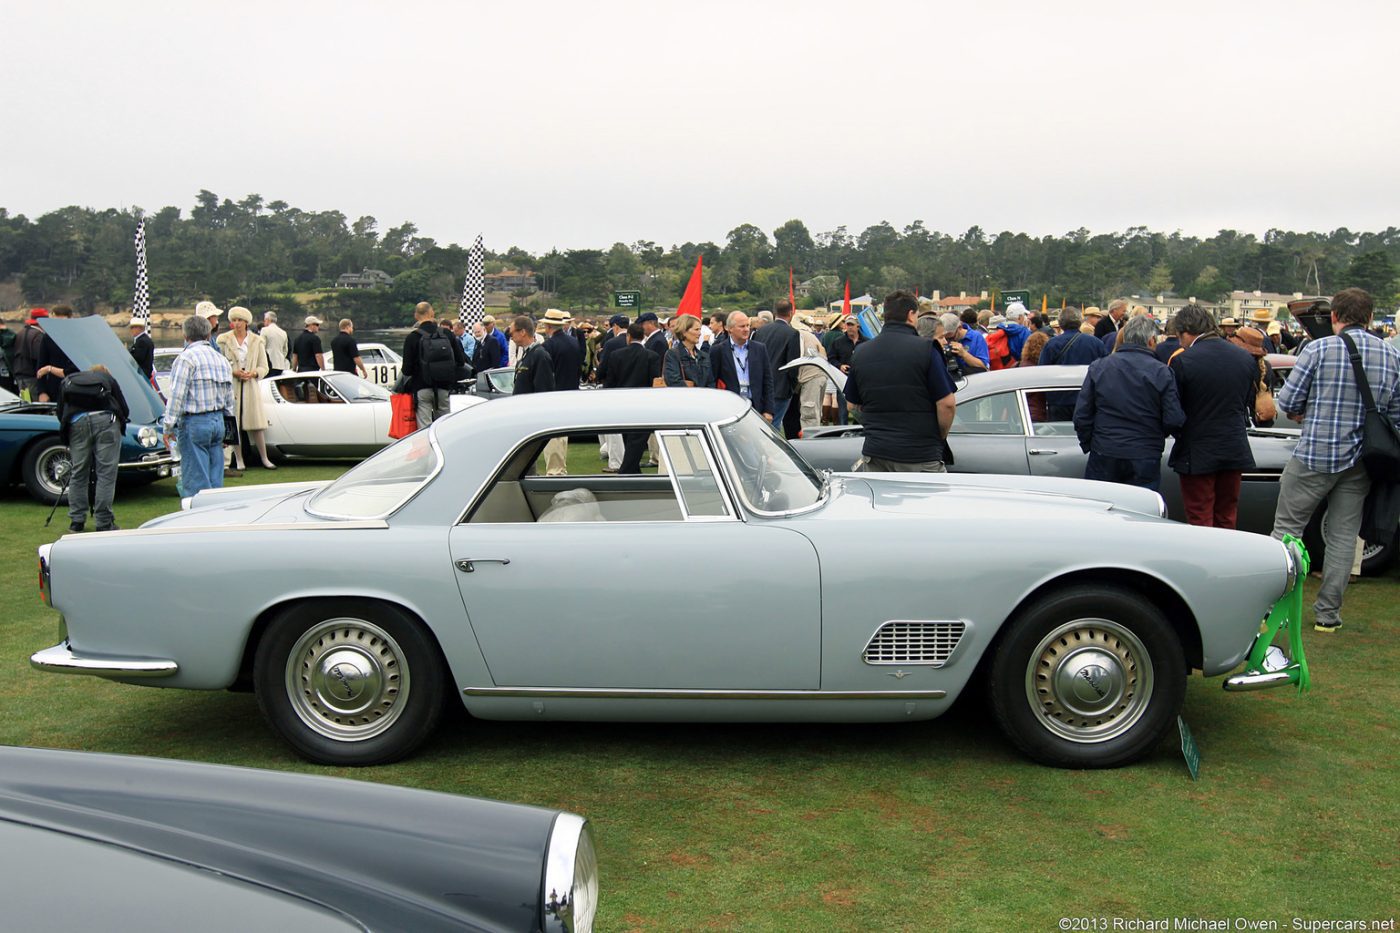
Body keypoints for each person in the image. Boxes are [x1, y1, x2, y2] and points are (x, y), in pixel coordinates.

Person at [1270, 288, 1400, 633]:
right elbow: (1396, 415)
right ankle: (1328, 615)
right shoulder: (1390, 355)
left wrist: (1307, 411)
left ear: (1334, 317)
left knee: (1286, 531)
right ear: (1369, 318)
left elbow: (1288, 402)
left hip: (1315, 453)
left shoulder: (1319, 349)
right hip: (1362, 460)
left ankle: (1273, 608)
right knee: (1343, 537)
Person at [1167, 304, 1258, 529]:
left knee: (1200, 514)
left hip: (1197, 448)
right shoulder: (1244, 358)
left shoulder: (1183, 361)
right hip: (1233, 445)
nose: (1180, 343)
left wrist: (1177, 432)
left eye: (1179, 336)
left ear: (1187, 331)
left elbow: (1176, 409)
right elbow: (1246, 401)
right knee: (1227, 513)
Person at [844, 291, 957, 473]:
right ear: (911, 315)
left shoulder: (861, 352)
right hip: (919, 454)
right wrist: (940, 435)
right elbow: (947, 404)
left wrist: (875, 428)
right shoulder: (926, 349)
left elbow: (852, 405)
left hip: (876, 452)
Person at [1072, 316, 1184, 491]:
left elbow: (1082, 415)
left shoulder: (1099, 367)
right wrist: (1154, 437)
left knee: (1102, 502)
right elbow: (1173, 418)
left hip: (1105, 447)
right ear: (1151, 340)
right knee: (1141, 504)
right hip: (1144, 451)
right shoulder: (1162, 372)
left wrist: (1091, 443)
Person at [163, 313, 234, 498]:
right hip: (218, 421)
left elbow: (177, 396)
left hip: (194, 422)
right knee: (215, 479)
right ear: (208, 334)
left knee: (196, 481)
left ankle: (196, 513)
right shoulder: (221, 360)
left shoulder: (186, 359)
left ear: (185, 335)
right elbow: (229, 400)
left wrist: (168, 427)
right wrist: (230, 431)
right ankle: (215, 512)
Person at [56, 364, 129, 532]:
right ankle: (104, 522)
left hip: (77, 423)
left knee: (78, 472)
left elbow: (61, 410)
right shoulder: (108, 379)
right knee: (106, 473)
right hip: (106, 422)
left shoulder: (70, 381)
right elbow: (124, 408)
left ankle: (77, 521)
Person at [216, 306, 275, 471]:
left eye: (240, 320)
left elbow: (264, 366)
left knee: (256, 423)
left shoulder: (256, 341)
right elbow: (220, 364)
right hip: (232, 386)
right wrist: (233, 372)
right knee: (233, 423)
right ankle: (239, 460)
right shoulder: (224, 340)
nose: (237, 323)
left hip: (250, 386)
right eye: (234, 320)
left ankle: (264, 458)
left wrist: (254, 373)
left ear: (246, 322)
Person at [599, 322, 662, 473]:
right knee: (636, 440)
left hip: (622, 402)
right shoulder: (652, 356)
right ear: (643, 337)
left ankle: (627, 470)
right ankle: (631, 470)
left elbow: (610, 381)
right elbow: (654, 381)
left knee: (629, 438)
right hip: (644, 403)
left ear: (628, 337)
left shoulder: (616, 355)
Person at [402, 302, 466, 428]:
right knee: (444, 426)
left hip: (422, 387)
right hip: (443, 387)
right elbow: (460, 361)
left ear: (416, 316)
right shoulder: (447, 334)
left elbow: (406, 370)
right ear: (432, 313)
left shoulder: (412, 338)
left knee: (425, 428)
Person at [1038, 307, 1109, 420]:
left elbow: (1042, 372)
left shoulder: (1051, 344)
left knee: (1059, 430)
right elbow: (1106, 371)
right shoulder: (1096, 343)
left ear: (1060, 323)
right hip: (1088, 398)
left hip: (1059, 400)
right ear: (1080, 321)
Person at [709, 311, 773, 421]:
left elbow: (767, 380)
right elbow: (712, 381)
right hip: (729, 407)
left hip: (755, 406)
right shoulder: (718, 350)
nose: (746, 329)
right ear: (729, 328)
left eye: (748, 325)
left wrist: (768, 410)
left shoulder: (759, 349)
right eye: (742, 326)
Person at [752, 300, 801, 436]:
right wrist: (793, 386)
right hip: (781, 387)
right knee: (774, 426)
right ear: (791, 313)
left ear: (774, 313)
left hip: (760, 385)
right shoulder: (792, 333)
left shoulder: (761, 331)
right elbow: (793, 365)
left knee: (759, 424)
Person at [541, 309, 581, 475]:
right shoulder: (574, 342)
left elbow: (547, 373)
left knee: (553, 435)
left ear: (549, 326)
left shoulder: (548, 346)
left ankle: (555, 470)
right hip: (571, 391)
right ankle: (560, 467)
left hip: (555, 393)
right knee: (563, 434)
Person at [35, 305, 78, 402]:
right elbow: (41, 365)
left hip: (75, 387)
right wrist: (42, 392)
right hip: (54, 388)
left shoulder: (77, 338)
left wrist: (50, 369)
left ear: (70, 319)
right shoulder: (48, 337)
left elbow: (73, 370)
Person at [826, 314, 862, 425]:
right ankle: (843, 430)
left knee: (860, 410)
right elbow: (831, 358)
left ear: (858, 326)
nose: (849, 327)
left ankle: (858, 430)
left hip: (860, 380)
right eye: (848, 325)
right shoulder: (838, 342)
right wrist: (840, 366)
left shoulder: (866, 342)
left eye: (852, 325)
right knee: (843, 410)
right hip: (843, 379)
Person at [794, 316, 826, 430]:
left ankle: (810, 438)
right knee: (815, 411)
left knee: (809, 413)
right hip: (820, 374)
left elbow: (798, 357)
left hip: (810, 377)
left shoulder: (799, 335)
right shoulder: (811, 336)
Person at [663, 315, 714, 387]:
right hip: (684, 394)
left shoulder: (704, 356)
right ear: (684, 331)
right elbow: (673, 381)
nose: (699, 333)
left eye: (700, 329)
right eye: (696, 329)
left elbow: (711, 382)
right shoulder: (672, 354)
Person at [509, 315, 554, 394]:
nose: (511, 338)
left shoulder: (540, 355)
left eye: (512, 334)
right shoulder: (527, 354)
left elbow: (543, 391)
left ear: (522, 332)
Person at [13, 309, 46, 399]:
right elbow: (39, 357)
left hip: (20, 377)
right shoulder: (38, 335)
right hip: (32, 378)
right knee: (35, 403)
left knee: (26, 401)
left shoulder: (20, 333)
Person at [262, 311, 289, 377]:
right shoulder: (283, 332)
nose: (264, 322)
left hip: (268, 364)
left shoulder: (264, 330)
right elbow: (285, 350)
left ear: (268, 320)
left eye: (264, 320)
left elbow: (262, 347)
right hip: (280, 364)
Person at [128, 316, 155, 382]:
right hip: (146, 373)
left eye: (132, 327)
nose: (131, 330)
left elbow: (138, 358)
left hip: (142, 374)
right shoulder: (146, 339)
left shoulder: (141, 341)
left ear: (139, 328)